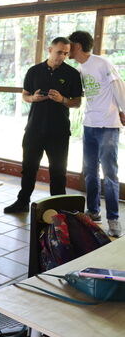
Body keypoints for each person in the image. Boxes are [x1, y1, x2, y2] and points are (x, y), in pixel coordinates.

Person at [4, 37, 83, 214]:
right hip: (34, 129)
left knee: (58, 172)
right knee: (29, 168)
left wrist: (62, 99)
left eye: (65, 53)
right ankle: (23, 202)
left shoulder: (72, 74)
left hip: (59, 131)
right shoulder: (34, 71)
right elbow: (25, 95)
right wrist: (33, 98)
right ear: (49, 49)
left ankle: (58, 207)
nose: (62, 56)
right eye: (59, 52)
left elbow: (77, 102)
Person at [68, 30, 125, 237]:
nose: (68, 49)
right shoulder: (80, 68)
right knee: (90, 172)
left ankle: (114, 219)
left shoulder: (102, 63)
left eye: (70, 45)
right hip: (89, 125)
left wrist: (124, 111)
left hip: (108, 126)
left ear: (78, 46)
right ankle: (93, 212)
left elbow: (119, 87)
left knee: (109, 174)